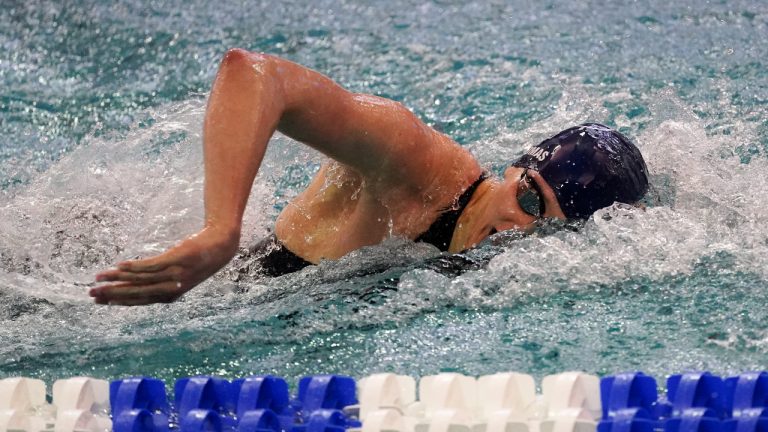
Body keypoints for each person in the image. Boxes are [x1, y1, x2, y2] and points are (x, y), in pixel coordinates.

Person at [90, 49, 649, 306]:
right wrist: (220, 229)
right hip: (141, 281)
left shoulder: (514, 277)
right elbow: (253, 75)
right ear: (514, 170)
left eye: (548, 227)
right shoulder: (416, 163)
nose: (520, 227)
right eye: (529, 199)